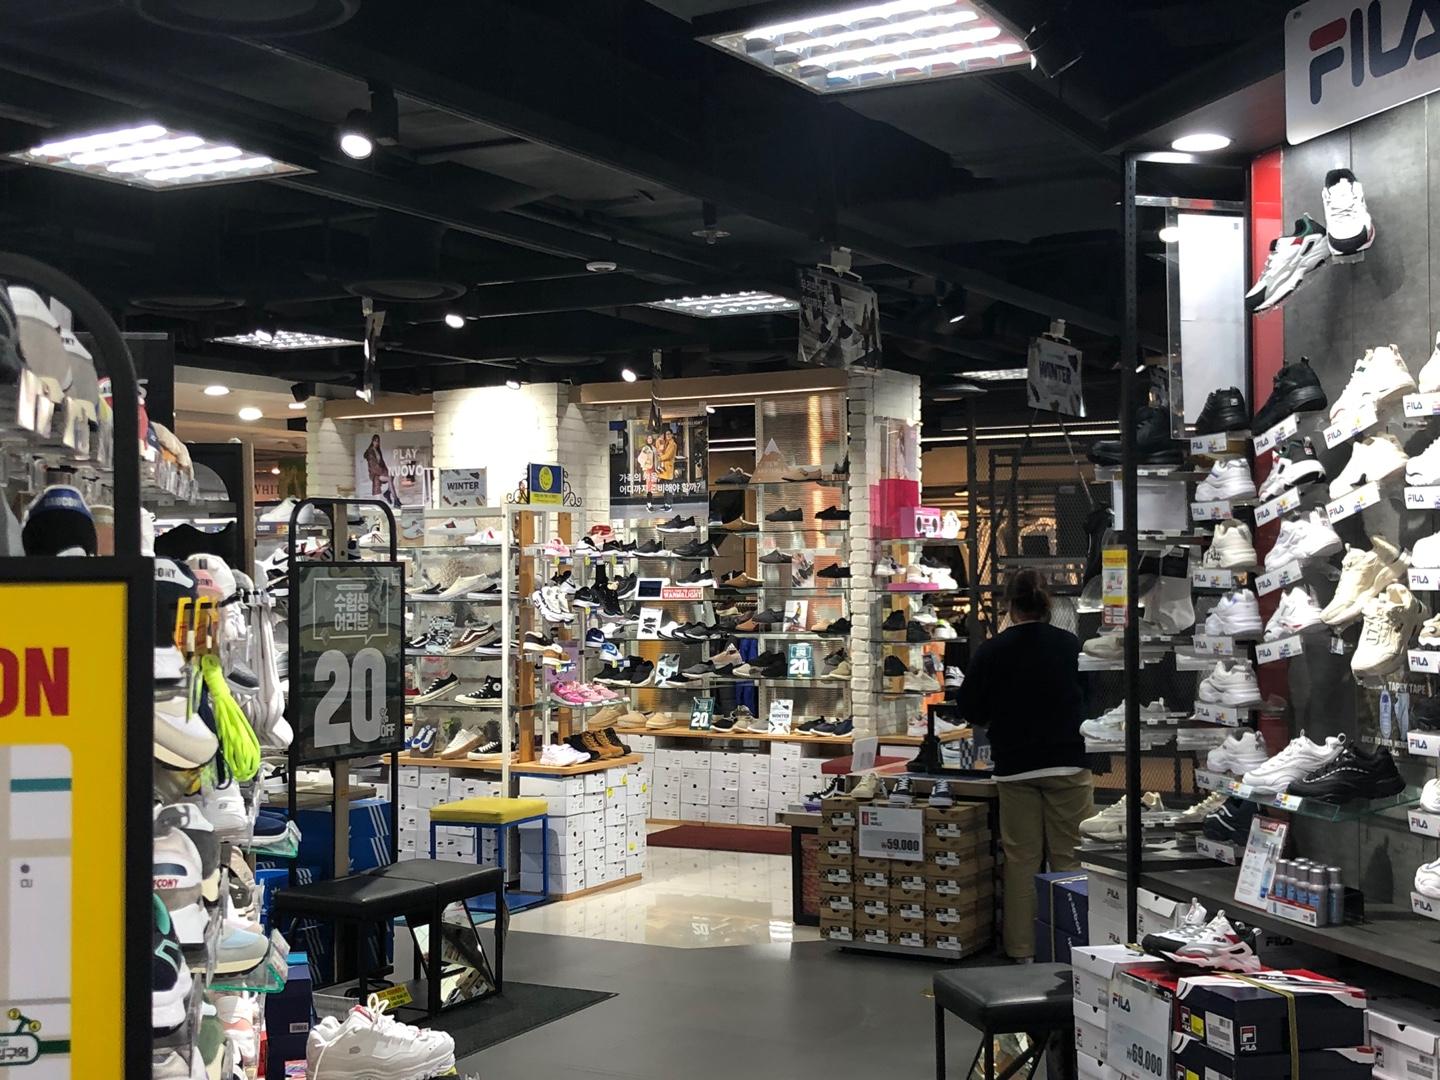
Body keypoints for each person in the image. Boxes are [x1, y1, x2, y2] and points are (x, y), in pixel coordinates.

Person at [957, 569, 1092, 962]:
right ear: (1047, 603)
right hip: (1067, 761)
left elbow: (970, 707)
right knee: (1071, 858)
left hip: (1015, 766)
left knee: (1020, 860)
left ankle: (1022, 950)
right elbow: (1090, 696)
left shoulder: (992, 651)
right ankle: (1074, 946)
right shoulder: (1069, 645)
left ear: (1008, 605)